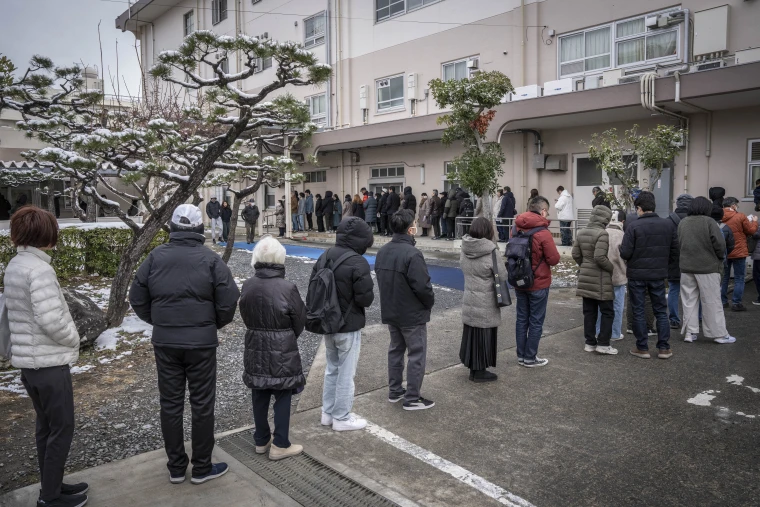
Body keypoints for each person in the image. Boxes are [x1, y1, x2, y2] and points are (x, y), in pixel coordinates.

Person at [129, 204, 240, 485]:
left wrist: (159, 320)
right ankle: (202, 467)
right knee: (202, 404)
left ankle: (176, 467)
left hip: (166, 342)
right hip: (201, 343)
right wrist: (212, 324)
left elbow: (137, 296)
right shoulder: (211, 259)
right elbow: (228, 299)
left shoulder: (155, 257)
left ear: (173, 228)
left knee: (170, 404)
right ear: (199, 228)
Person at [3, 207, 88, 507]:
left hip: (30, 365)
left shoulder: (16, 264)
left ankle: (52, 485)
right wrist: (74, 338)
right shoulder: (39, 269)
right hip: (50, 363)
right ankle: (50, 498)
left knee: (46, 427)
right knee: (62, 428)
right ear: (45, 234)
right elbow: (51, 320)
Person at [239, 236, 307, 460]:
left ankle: (261, 440)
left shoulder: (248, 285)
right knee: (282, 393)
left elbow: (245, 315)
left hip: (255, 344)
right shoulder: (287, 287)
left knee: (259, 392)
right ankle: (280, 444)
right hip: (282, 347)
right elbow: (300, 319)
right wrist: (286, 336)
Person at [312, 218, 375, 430]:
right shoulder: (358, 262)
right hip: (348, 325)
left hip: (327, 323)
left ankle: (327, 413)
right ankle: (342, 417)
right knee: (347, 374)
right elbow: (365, 299)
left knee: (332, 370)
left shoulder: (324, 256)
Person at [375, 209, 435, 410]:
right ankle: (412, 398)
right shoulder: (413, 254)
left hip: (391, 310)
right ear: (411, 229)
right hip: (411, 313)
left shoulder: (383, 251)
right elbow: (423, 287)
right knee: (416, 354)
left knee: (396, 350)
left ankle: (395, 390)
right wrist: (428, 304)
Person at [619, 191, 677, 359]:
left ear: (639, 208)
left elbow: (626, 252)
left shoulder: (633, 227)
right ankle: (664, 347)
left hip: (637, 275)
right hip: (658, 275)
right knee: (660, 310)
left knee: (638, 310)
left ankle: (642, 347)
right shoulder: (668, 225)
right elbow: (675, 252)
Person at [677, 196, 735, 344]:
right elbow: (720, 245)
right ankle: (718, 334)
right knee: (712, 301)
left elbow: (679, 243)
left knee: (689, 301)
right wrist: (718, 259)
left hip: (686, 267)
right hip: (708, 267)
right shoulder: (709, 222)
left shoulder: (683, 222)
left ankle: (690, 333)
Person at [514, 196, 561, 367]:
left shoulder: (516, 228)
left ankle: (521, 355)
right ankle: (530, 357)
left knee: (521, 319)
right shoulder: (543, 232)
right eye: (547, 211)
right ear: (542, 211)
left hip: (519, 280)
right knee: (536, 320)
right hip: (538, 283)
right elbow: (554, 259)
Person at [460, 217, 508, 382]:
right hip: (486, 300)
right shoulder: (491, 250)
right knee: (484, 335)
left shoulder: (465, 248)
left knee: (472, 334)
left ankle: (474, 370)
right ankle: (480, 372)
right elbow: (502, 275)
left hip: (469, 297)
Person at [572, 205, 617, 355]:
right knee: (607, 311)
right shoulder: (602, 234)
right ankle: (603, 343)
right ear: (605, 219)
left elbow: (575, 254)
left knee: (589, 312)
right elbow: (599, 257)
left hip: (585, 277)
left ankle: (589, 343)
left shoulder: (581, 232)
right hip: (601, 278)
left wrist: (584, 265)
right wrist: (611, 268)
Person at [721, 197, 758, 311]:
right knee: (739, 278)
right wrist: (755, 221)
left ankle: (723, 301)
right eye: (736, 205)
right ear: (733, 206)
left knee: (725, 277)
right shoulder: (740, 216)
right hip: (739, 251)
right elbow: (751, 231)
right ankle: (736, 303)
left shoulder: (719, 216)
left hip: (724, 251)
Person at [596, 210, 627, 342]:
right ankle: (615, 333)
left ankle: (599, 331)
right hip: (618, 276)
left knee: (600, 307)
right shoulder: (623, 235)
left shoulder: (602, 233)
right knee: (617, 306)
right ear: (622, 221)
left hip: (602, 276)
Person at [666, 194, 693, 329]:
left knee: (673, 290)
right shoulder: (695, 220)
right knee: (692, 292)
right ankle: (693, 319)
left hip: (672, 261)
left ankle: (674, 320)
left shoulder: (669, 220)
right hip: (691, 260)